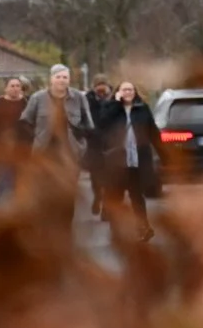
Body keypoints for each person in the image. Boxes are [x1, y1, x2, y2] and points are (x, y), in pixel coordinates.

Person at [97, 81, 164, 241]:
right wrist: (116, 103)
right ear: (118, 92)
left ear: (135, 92)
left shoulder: (142, 108)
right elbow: (102, 124)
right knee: (116, 197)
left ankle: (144, 228)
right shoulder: (110, 108)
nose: (128, 92)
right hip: (117, 162)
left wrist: (164, 154)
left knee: (137, 196)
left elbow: (153, 131)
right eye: (124, 90)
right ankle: (117, 231)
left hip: (136, 160)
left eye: (130, 90)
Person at [20, 64, 95, 168]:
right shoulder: (37, 98)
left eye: (65, 77)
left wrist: (78, 135)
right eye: (58, 77)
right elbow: (25, 122)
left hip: (71, 153)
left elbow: (89, 125)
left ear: (69, 80)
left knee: (69, 183)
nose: (62, 80)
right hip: (44, 152)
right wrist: (36, 137)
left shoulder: (79, 98)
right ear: (51, 79)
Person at [0, 77, 29, 201]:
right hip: (2, 151)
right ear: (6, 88)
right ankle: (5, 215)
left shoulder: (26, 104)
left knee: (20, 187)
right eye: (12, 86)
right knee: (4, 185)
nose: (15, 89)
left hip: (21, 151)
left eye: (17, 86)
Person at [85, 75, 115, 215]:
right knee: (95, 176)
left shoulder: (115, 100)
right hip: (94, 144)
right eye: (98, 86)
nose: (101, 89)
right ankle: (98, 196)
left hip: (112, 144)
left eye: (104, 85)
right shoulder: (87, 100)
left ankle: (107, 207)